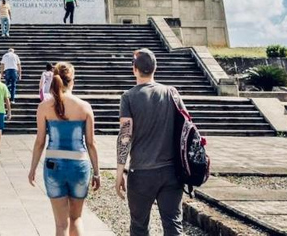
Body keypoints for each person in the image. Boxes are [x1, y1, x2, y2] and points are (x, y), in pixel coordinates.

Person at [116, 48, 185, 236]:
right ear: (155, 68)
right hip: (171, 171)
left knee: (139, 227)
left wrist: (119, 170)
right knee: (173, 226)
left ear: (134, 69)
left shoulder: (128, 97)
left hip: (141, 173)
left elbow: (125, 136)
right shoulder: (172, 93)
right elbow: (186, 129)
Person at [29, 63, 101, 236]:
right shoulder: (84, 107)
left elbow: (40, 142)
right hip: (79, 165)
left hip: (54, 166)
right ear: (72, 80)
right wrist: (97, 172)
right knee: (76, 219)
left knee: (61, 224)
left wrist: (32, 169)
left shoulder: (44, 107)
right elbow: (91, 143)